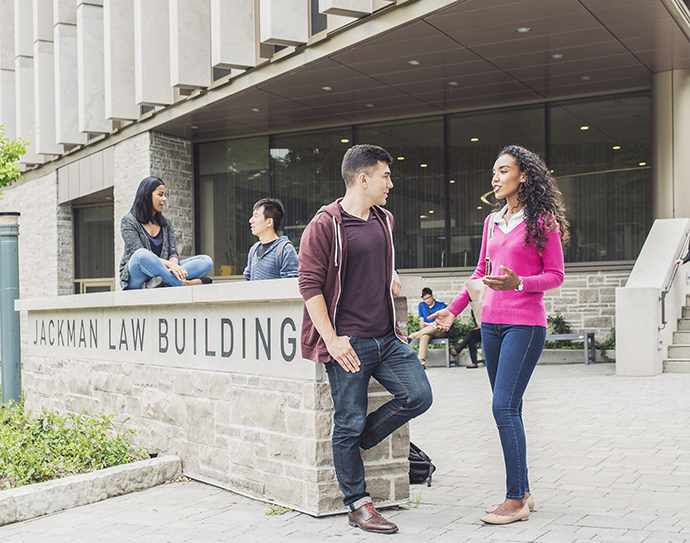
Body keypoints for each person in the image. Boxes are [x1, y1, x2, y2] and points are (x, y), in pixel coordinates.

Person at [298, 144, 433, 535]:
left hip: (387, 338)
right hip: (349, 342)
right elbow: (308, 285)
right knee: (348, 420)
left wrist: (389, 273)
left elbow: (375, 261)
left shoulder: (384, 219)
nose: (390, 182)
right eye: (385, 175)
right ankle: (358, 504)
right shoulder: (325, 224)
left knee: (418, 395)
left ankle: (358, 441)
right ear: (363, 179)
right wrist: (333, 341)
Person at [432, 145, 567, 525]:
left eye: (503, 170)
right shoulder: (492, 221)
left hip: (524, 326)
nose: (495, 177)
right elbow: (479, 273)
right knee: (510, 407)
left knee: (502, 407)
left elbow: (556, 275)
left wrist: (518, 282)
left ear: (523, 176)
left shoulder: (544, 221)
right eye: (493, 171)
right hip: (489, 324)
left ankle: (514, 500)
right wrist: (452, 309)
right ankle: (522, 491)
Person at [119, 176, 213, 289]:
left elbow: (173, 252)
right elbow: (137, 252)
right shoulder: (128, 221)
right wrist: (171, 266)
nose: (164, 199)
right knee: (141, 254)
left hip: (162, 272)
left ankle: (163, 282)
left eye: (165, 195)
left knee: (206, 261)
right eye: (160, 194)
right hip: (138, 276)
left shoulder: (166, 223)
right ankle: (182, 283)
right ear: (146, 195)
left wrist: (173, 265)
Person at [244, 198, 298, 281]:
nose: (251, 220)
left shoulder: (285, 249)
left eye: (256, 216)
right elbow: (248, 281)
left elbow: (290, 284)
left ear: (269, 222)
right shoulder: (253, 250)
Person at [408, 288, 450, 368]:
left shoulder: (441, 305)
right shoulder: (422, 305)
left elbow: (443, 322)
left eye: (428, 297)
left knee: (435, 326)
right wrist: (426, 326)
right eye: (425, 299)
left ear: (432, 295)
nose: (427, 300)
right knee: (424, 337)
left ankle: (412, 336)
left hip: (439, 330)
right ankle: (421, 363)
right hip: (427, 331)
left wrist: (432, 325)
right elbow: (422, 323)